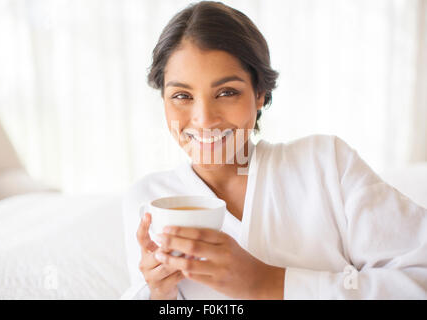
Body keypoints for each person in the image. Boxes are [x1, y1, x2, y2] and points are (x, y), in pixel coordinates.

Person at [121, 1, 427, 300]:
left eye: (227, 92)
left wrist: (269, 284)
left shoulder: (326, 165)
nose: (204, 120)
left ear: (259, 94)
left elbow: (419, 278)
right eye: (182, 95)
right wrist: (160, 297)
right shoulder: (149, 200)